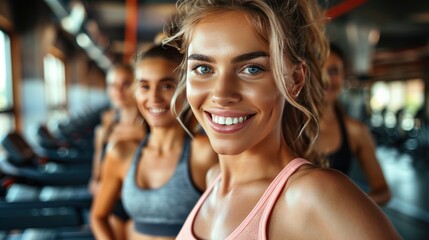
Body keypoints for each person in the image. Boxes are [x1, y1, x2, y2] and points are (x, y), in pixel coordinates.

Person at [163, 0, 401, 239]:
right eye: (203, 69)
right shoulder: (213, 178)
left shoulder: (314, 194)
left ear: (295, 80)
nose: (222, 95)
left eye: (252, 69)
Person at [90, 44, 218, 240]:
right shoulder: (122, 153)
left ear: (186, 89)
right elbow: (99, 216)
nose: (154, 97)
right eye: (145, 86)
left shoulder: (204, 153)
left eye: (166, 86)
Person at [314, 42, 391, 205]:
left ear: (344, 77)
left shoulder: (354, 131)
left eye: (333, 71)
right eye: (318, 69)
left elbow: (383, 191)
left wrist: (347, 206)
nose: (326, 78)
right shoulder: (286, 126)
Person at [88, 63, 145, 240]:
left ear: (137, 86)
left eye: (126, 84)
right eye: (112, 85)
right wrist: (95, 180)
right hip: (111, 203)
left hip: (139, 204)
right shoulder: (107, 122)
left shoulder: (149, 127)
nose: (118, 91)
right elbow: (99, 160)